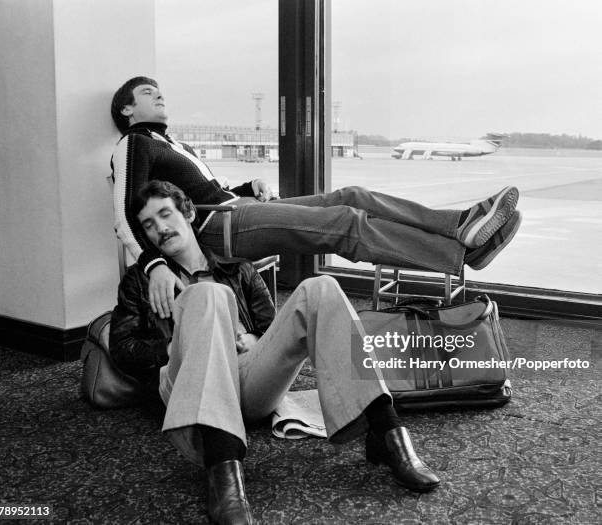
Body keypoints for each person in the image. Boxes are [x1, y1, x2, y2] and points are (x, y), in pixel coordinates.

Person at [111, 180, 509, 525]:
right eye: (149, 225)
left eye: (165, 214)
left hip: (246, 384)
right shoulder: (142, 280)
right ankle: (222, 467)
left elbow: (270, 329)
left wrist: (253, 340)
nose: (160, 228)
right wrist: (184, 338)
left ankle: (385, 431)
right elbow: (125, 350)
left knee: (320, 287)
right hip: (186, 383)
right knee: (207, 295)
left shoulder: (238, 269)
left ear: (187, 213)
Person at [110, 76, 522, 320]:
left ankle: (460, 226)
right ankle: (463, 254)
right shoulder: (134, 144)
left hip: (238, 208)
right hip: (222, 227)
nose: (159, 95)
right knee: (344, 221)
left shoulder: (169, 143)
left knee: (353, 195)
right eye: (147, 93)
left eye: (159, 90)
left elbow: (196, 194)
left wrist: (244, 188)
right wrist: (155, 265)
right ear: (127, 110)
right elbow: (126, 213)